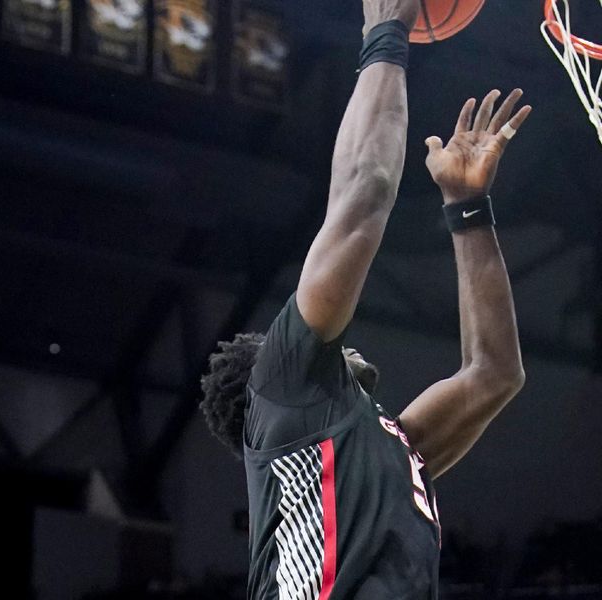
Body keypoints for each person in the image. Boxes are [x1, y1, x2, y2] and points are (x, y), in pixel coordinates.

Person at [199, 0, 531, 597]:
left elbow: (492, 373)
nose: (340, 342)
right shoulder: (291, 407)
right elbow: (493, 375)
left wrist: (468, 208)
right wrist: (386, 35)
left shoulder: (305, 393)